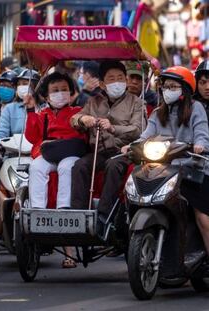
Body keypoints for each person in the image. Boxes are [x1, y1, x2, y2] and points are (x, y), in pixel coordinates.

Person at [123, 66, 209, 256]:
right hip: (164, 170)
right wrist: (132, 146)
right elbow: (145, 136)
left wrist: (199, 145)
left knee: (202, 216)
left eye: (173, 86)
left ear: (185, 89)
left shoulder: (196, 109)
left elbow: (202, 133)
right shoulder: (157, 113)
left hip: (193, 168)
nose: (167, 90)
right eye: (165, 86)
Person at [71, 61, 144, 234]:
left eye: (120, 78)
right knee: (79, 166)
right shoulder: (93, 101)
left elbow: (138, 129)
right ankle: (77, 215)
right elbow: (75, 119)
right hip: (99, 151)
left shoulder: (136, 103)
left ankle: (103, 217)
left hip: (124, 152)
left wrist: (113, 128)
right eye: (111, 79)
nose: (117, 82)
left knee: (113, 166)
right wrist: (82, 120)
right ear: (103, 83)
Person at [25, 72, 87, 268]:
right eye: (55, 90)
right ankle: (37, 211)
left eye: (63, 90)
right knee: (36, 167)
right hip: (49, 153)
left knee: (67, 167)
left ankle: (63, 210)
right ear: (46, 96)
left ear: (71, 93)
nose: (60, 94)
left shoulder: (78, 112)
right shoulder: (42, 115)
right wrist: (29, 111)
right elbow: (31, 137)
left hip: (71, 153)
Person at [0, 70, 39, 143]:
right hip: (14, 152)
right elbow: (1, 135)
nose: (21, 87)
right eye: (19, 84)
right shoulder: (9, 109)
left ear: (35, 86)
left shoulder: (45, 108)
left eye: (25, 84)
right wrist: (0, 144)